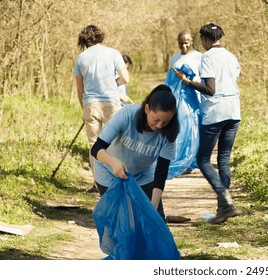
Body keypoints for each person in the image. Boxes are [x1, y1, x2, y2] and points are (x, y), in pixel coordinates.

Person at [174, 23, 241, 224]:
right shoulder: (231, 56)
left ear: (204, 39)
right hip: (234, 111)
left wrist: (186, 81)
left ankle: (226, 203)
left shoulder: (207, 57)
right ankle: (223, 208)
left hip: (215, 112)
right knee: (224, 158)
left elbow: (210, 89)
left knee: (203, 159)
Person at [90, 84, 179, 221]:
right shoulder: (127, 115)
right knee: (118, 220)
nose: (160, 125)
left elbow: (161, 171)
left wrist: (153, 205)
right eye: (156, 120)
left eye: (165, 122)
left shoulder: (169, 133)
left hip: (143, 174)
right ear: (147, 108)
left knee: (155, 220)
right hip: (108, 170)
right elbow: (97, 148)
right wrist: (114, 163)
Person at [74, 25, 130, 193]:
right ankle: (120, 176)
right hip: (112, 103)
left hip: (90, 104)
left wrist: (83, 106)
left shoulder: (80, 59)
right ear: (100, 36)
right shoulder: (113, 53)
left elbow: (80, 89)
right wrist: (112, 86)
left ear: (84, 40)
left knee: (94, 145)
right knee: (117, 142)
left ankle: (98, 184)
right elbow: (125, 78)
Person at [165, 30, 202, 177]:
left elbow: (202, 78)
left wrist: (190, 79)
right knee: (180, 128)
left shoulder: (199, 57)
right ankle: (181, 159)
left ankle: (192, 160)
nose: (184, 45)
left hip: (193, 98)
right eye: (181, 42)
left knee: (193, 129)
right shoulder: (174, 58)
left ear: (191, 41)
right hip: (178, 100)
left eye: (186, 41)